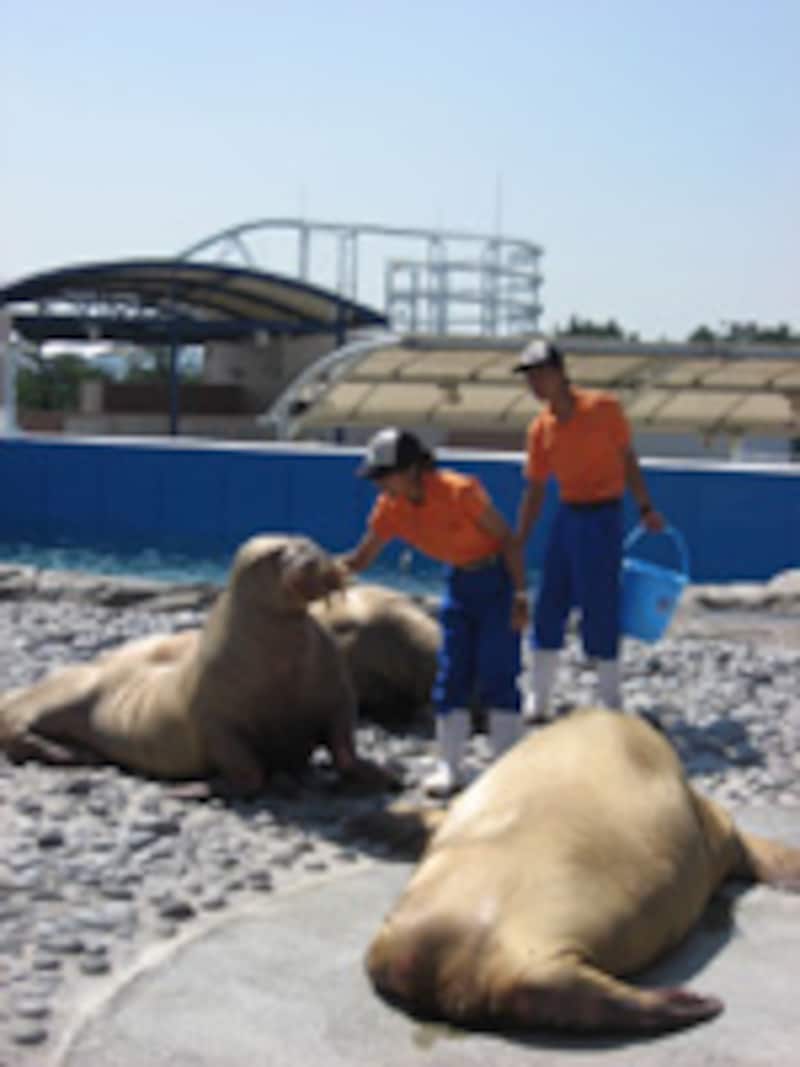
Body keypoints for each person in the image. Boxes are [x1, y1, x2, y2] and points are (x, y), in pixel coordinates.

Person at [339, 427, 528, 797]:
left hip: (495, 582)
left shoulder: (460, 492)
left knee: (498, 671)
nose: (380, 486)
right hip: (458, 584)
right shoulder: (390, 509)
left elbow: (506, 539)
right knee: (451, 672)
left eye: (384, 476)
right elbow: (362, 558)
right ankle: (451, 768)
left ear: (412, 470)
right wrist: (326, 573)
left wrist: (520, 594)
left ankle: (508, 770)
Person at [514, 338, 665, 720]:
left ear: (560, 373)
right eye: (528, 377)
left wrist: (645, 506)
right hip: (567, 514)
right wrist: (519, 539)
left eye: (539, 374)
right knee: (550, 600)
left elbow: (628, 459)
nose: (534, 384)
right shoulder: (540, 428)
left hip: (603, 515)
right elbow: (535, 488)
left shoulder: (604, 409)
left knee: (600, 603)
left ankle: (610, 700)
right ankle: (540, 698)